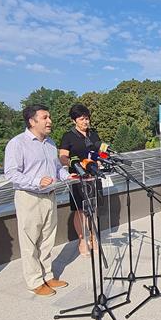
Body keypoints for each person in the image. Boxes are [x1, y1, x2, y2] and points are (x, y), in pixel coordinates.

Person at [4, 104, 70, 296]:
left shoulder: (50, 143)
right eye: (44, 117)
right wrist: (36, 181)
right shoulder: (17, 143)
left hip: (50, 196)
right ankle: (34, 281)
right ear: (32, 121)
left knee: (47, 240)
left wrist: (68, 176)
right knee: (30, 242)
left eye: (49, 117)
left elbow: (58, 169)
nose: (49, 121)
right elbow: (11, 173)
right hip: (29, 198)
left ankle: (47, 276)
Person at [58, 103, 101, 257]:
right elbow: (63, 156)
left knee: (93, 208)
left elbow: (99, 153)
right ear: (74, 120)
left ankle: (94, 237)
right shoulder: (68, 136)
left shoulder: (93, 135)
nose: (85, 122)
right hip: (77, 178)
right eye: (82, 119)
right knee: (80, 210)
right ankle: (82, 240)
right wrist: (72, 165)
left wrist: (100, 161)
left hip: (93, 176)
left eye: (87, 118)